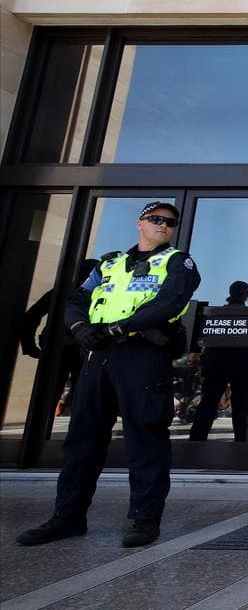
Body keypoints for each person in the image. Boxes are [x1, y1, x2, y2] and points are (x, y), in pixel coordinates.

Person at [18, 201, 200, 548]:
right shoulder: (110, 262)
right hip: (99, 354)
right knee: (82, 439)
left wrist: (118, 329)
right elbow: (77, 299)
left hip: (142, 355)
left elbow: (169, 303)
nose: (164, 226)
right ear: (140, 223)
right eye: (156, 219)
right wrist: (79, 327)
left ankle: (144, 520)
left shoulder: (178, 262)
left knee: (145, 438)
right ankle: (68, 517)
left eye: (170, 222)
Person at [20, 259, 100, 418]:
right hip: (79, 348)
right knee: (81, 394)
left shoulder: (59, 292)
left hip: (60, 346)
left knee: (48, 393)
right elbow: (30, 317)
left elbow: (31, 317)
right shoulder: (97, 294)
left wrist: (30, 346)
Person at [188, 281, 248, 442]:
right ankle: (242, 438)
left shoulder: (217, 314)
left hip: (216, 365)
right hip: (240, 366)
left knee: (208, 403)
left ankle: (197, 437)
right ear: (245, 295)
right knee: (241, 406)